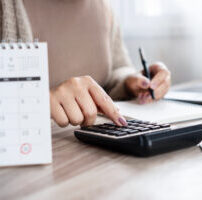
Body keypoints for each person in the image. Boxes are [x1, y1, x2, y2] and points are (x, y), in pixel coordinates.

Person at [0, 0, 171, 127]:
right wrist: (38, 101)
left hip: (96, 154)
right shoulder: (7, 7)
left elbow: (117, 68)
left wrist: (130, 82)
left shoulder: (104, 7)